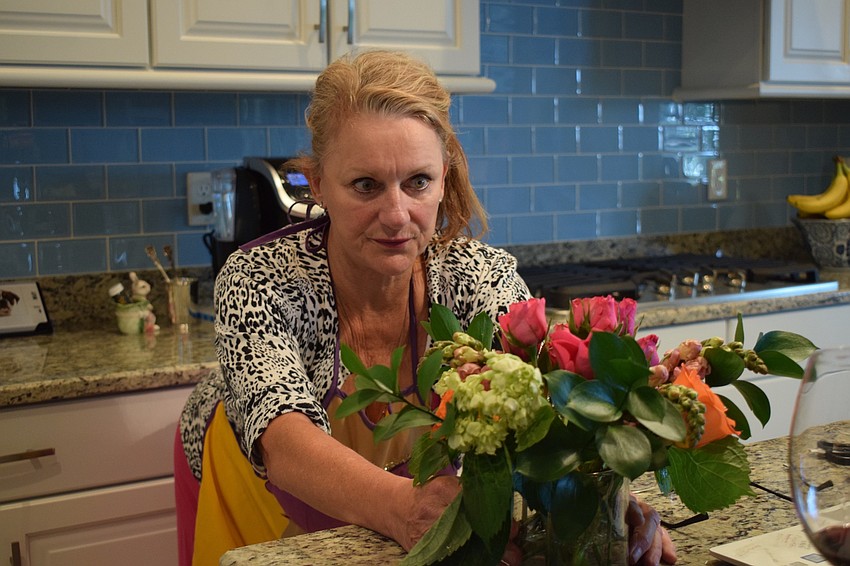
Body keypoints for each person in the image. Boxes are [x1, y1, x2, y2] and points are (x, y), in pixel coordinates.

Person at [175, 49, 677, 566]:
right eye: (365, 185)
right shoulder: (258, 278)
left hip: (402, 499)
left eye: (417, 182)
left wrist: (598, 499)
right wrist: (403, 508)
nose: (397, 215)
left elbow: (541, 405)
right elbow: (282, 440)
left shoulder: (478, 276)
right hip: (259, 486)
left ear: (443, 178)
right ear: (319, 184)